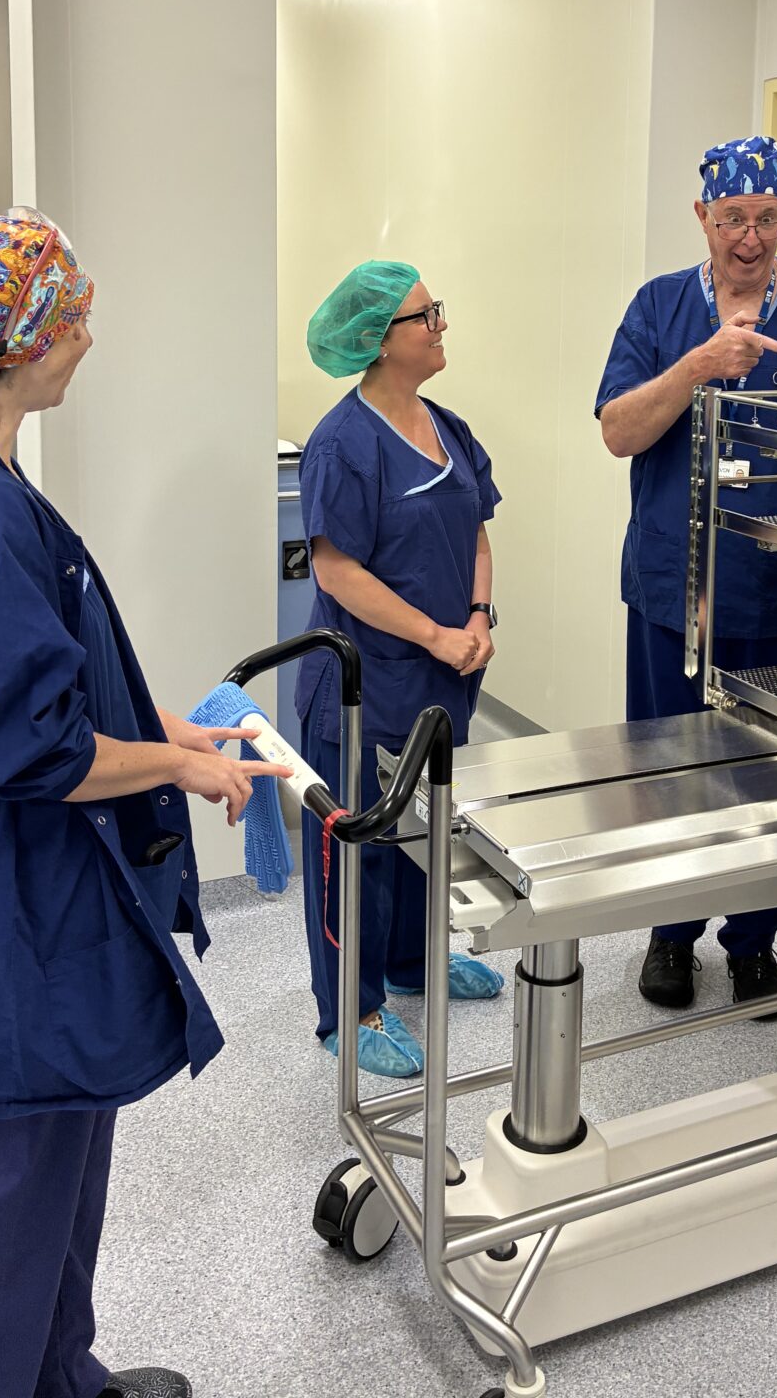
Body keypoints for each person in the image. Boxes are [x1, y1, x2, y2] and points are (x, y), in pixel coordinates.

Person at [0, 210, 293, 1398]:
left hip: (27, 893)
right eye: (73, 309)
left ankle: (58, 1377)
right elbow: (16, 744)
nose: (89, 328)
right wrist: (179, 769)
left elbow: (33, 687)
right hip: (10, 908)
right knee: (8, 1203)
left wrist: (161, 731)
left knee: (60, 1164)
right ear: (22, 339)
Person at [596, 135, 777, 1016]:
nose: (749, 239)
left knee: (774, 774)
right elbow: (618, 431)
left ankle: (755, 941)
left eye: (764, 219)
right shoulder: (657, 309)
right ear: (703, 219)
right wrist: (697, 366)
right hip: (671, 590)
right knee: (669, 769)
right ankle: (671, 935)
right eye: (732, 221)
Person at [295, 261, 505, 1078]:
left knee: (425, 834)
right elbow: (338, 572)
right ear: (378, 343)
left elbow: (478, 528)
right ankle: (350, 1009)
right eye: (426, 316)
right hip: (365, 683)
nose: (440, 326)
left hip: (441, 679)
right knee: (360, 849)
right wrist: (435, 634)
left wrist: (478, 617)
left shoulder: (444, 424)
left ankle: (418, 961)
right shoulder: (342, 445)